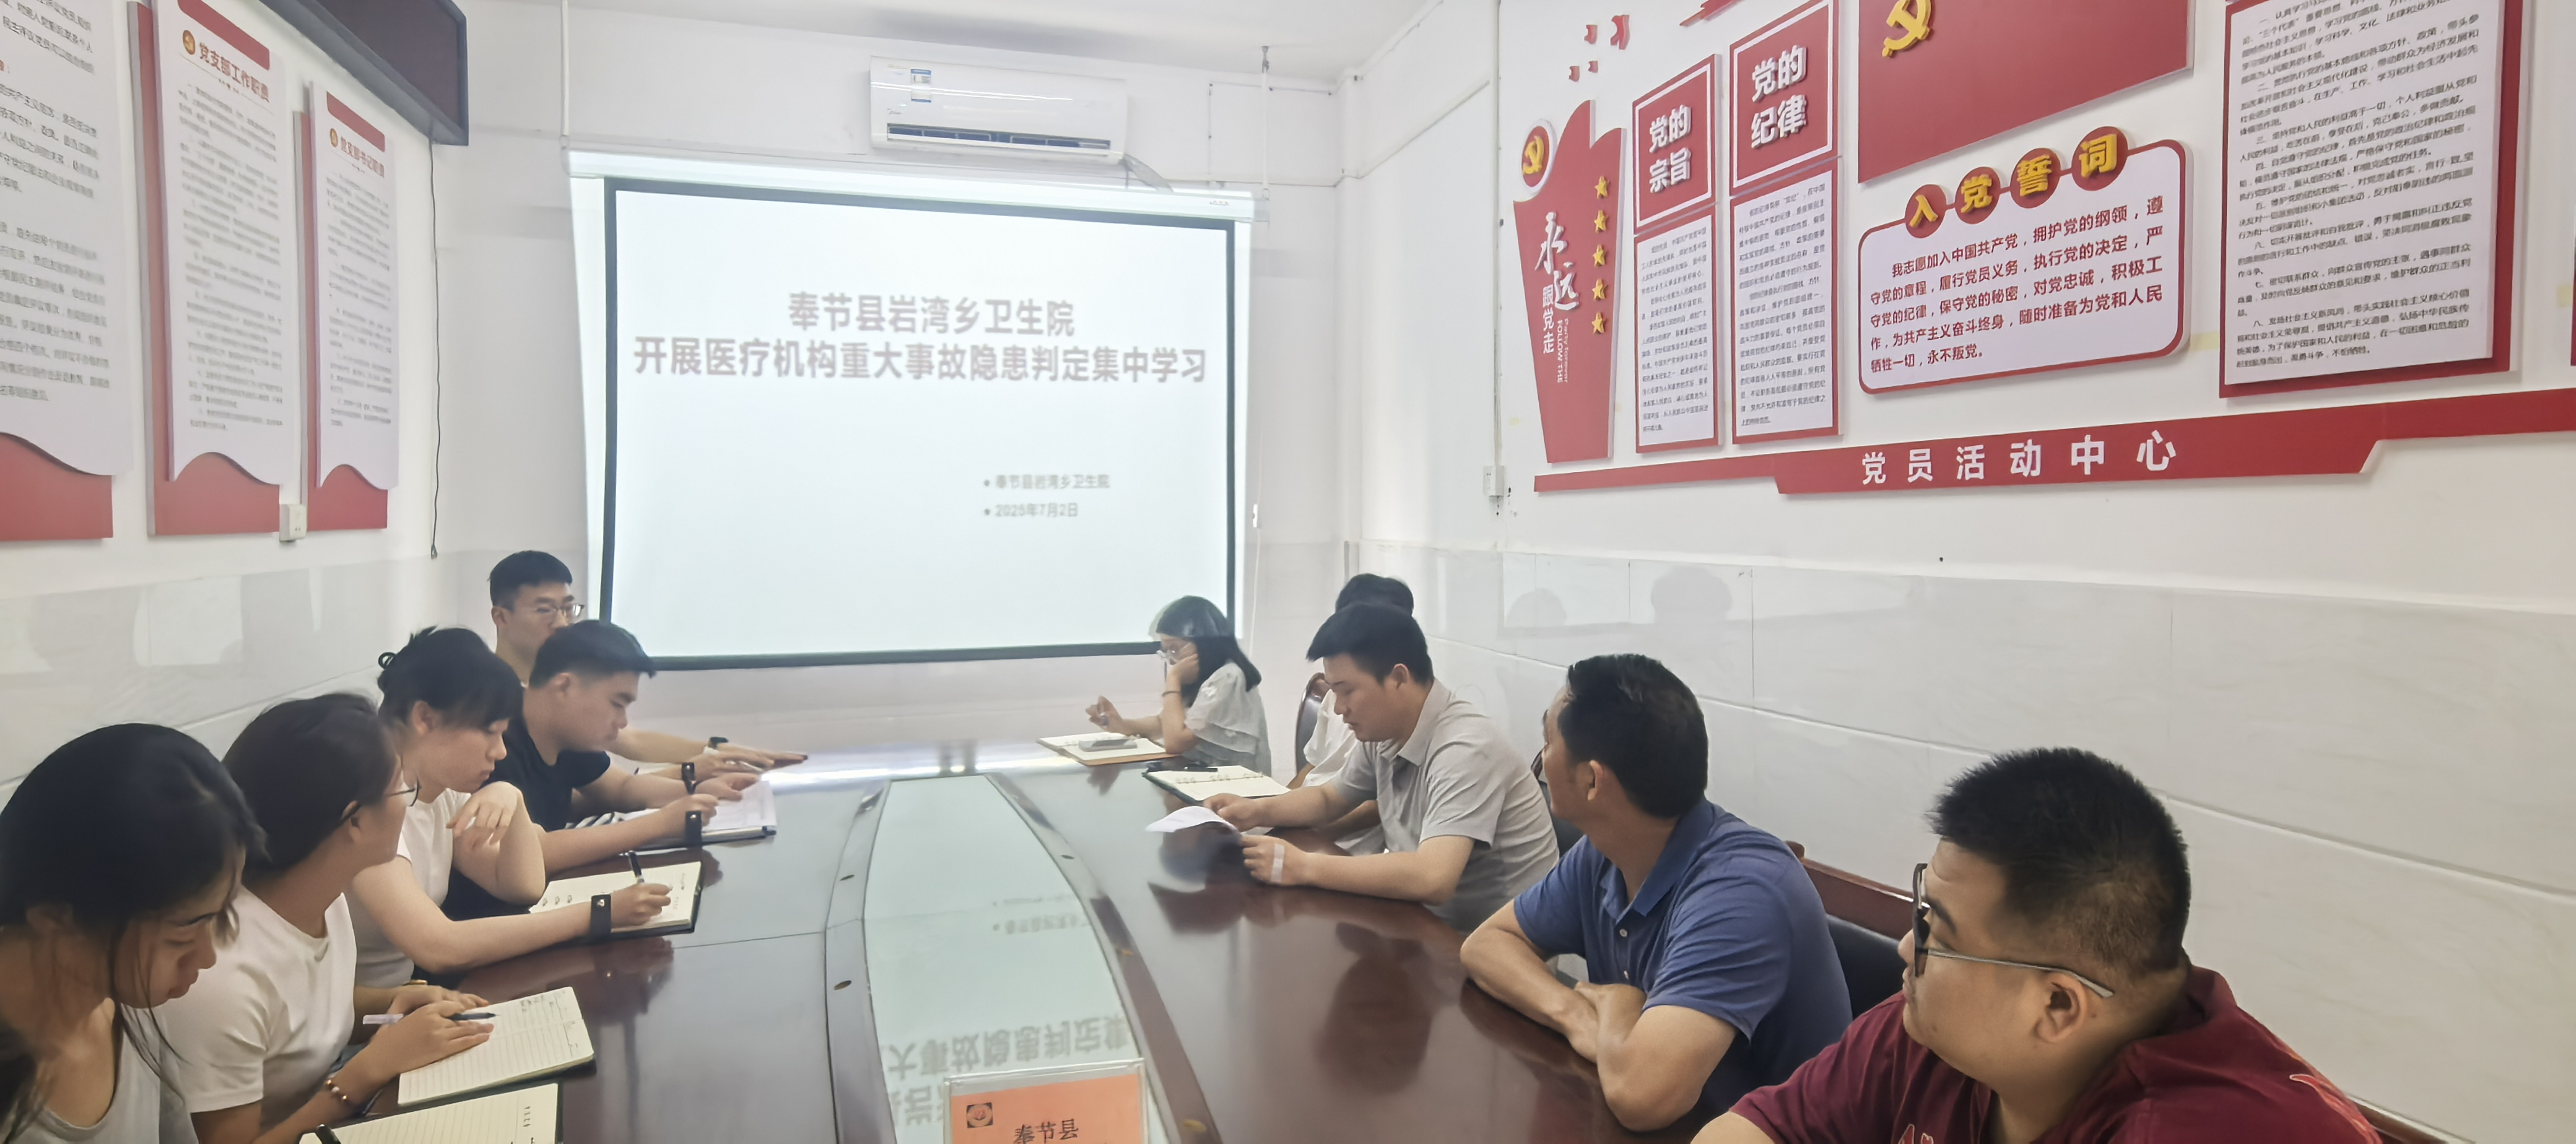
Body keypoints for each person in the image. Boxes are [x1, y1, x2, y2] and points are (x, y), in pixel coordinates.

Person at [1696, 749, 2382, 1144]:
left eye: (1937, 933)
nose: (1907, 946)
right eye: (1922, 913)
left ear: (2057, 1004)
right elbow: (1758, 1130)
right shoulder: (1929, 1035)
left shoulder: (2206, 1128)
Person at [1463, 654, 1850, 1130]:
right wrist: (1579, 1016)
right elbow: (1487, 945)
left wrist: (1621, 1006)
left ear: (1591, 781)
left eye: (1548, 742)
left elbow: (1642, 1097)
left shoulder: (1743, 892)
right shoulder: (1605, 850)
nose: (1541, 757)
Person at [157, 696, 494, 1144]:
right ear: (354, 821)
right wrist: (368, 1071)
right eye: (401, 789)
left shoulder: (325, 893)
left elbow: (301, 1016)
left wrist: (392, 1004)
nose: (408, 803)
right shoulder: (220, 972)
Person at [347, 628, 674, 987]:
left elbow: (523, 886)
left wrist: (512, 797)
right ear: (425, 719)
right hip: (366, 1013)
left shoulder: (441, 793)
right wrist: (600, 912)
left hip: (409, 995)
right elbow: (440, 947)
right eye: (490, 732)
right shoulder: (370, 804)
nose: (501, 751)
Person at [1206, 604, 1557, 931]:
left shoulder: (1466, 747)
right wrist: (1255, 810)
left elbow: (1432, 878)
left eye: (1346, 691)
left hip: (1488, 942)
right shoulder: (1385, 731)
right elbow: (1330, 799)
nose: (1339, 708)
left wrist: (1302, 866)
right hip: (1423, 921)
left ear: (1399, 678)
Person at [0, 724, 260, 1143]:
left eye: (219, 916)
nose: (207, 957)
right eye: (181, 937)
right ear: (57, 918)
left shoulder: (128, 1003)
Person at [443, 622, 754, 919]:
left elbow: (621, 789)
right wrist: (659, 824)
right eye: (617, 704)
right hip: (489, 920)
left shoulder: (566, 736)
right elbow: (536, 852)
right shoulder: (495, 745)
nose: (622, 722)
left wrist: (696, 790)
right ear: (565, 686)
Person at [485, 550, 803, 773]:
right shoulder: (487, 692)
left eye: (568, 609)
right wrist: (704, 765)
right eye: (544, 610)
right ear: (501, 617)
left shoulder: (553, 681)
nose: (562, 623)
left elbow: (628, 742)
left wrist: (717, 750)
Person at [1289, 574, 1416, 854]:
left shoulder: (1401, 716)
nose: (1339, 706)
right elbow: (1314, 770)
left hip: (1342, 845)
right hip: (1311, 823)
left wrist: (1307, 835)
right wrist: (1274, 812)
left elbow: (1377, 807)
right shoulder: (1335, 693)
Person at [1084, 596, 1272, 776]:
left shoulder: (1228, 678)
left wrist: (1173, 680)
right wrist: (1122, 725)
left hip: (1237, 790)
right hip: (1202, 780)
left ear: (1205, 644)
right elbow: (1163, 723)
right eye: (1166, 651)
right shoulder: (1204, 678)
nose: (1172, 660)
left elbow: (1176, 742)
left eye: (1174, 649)